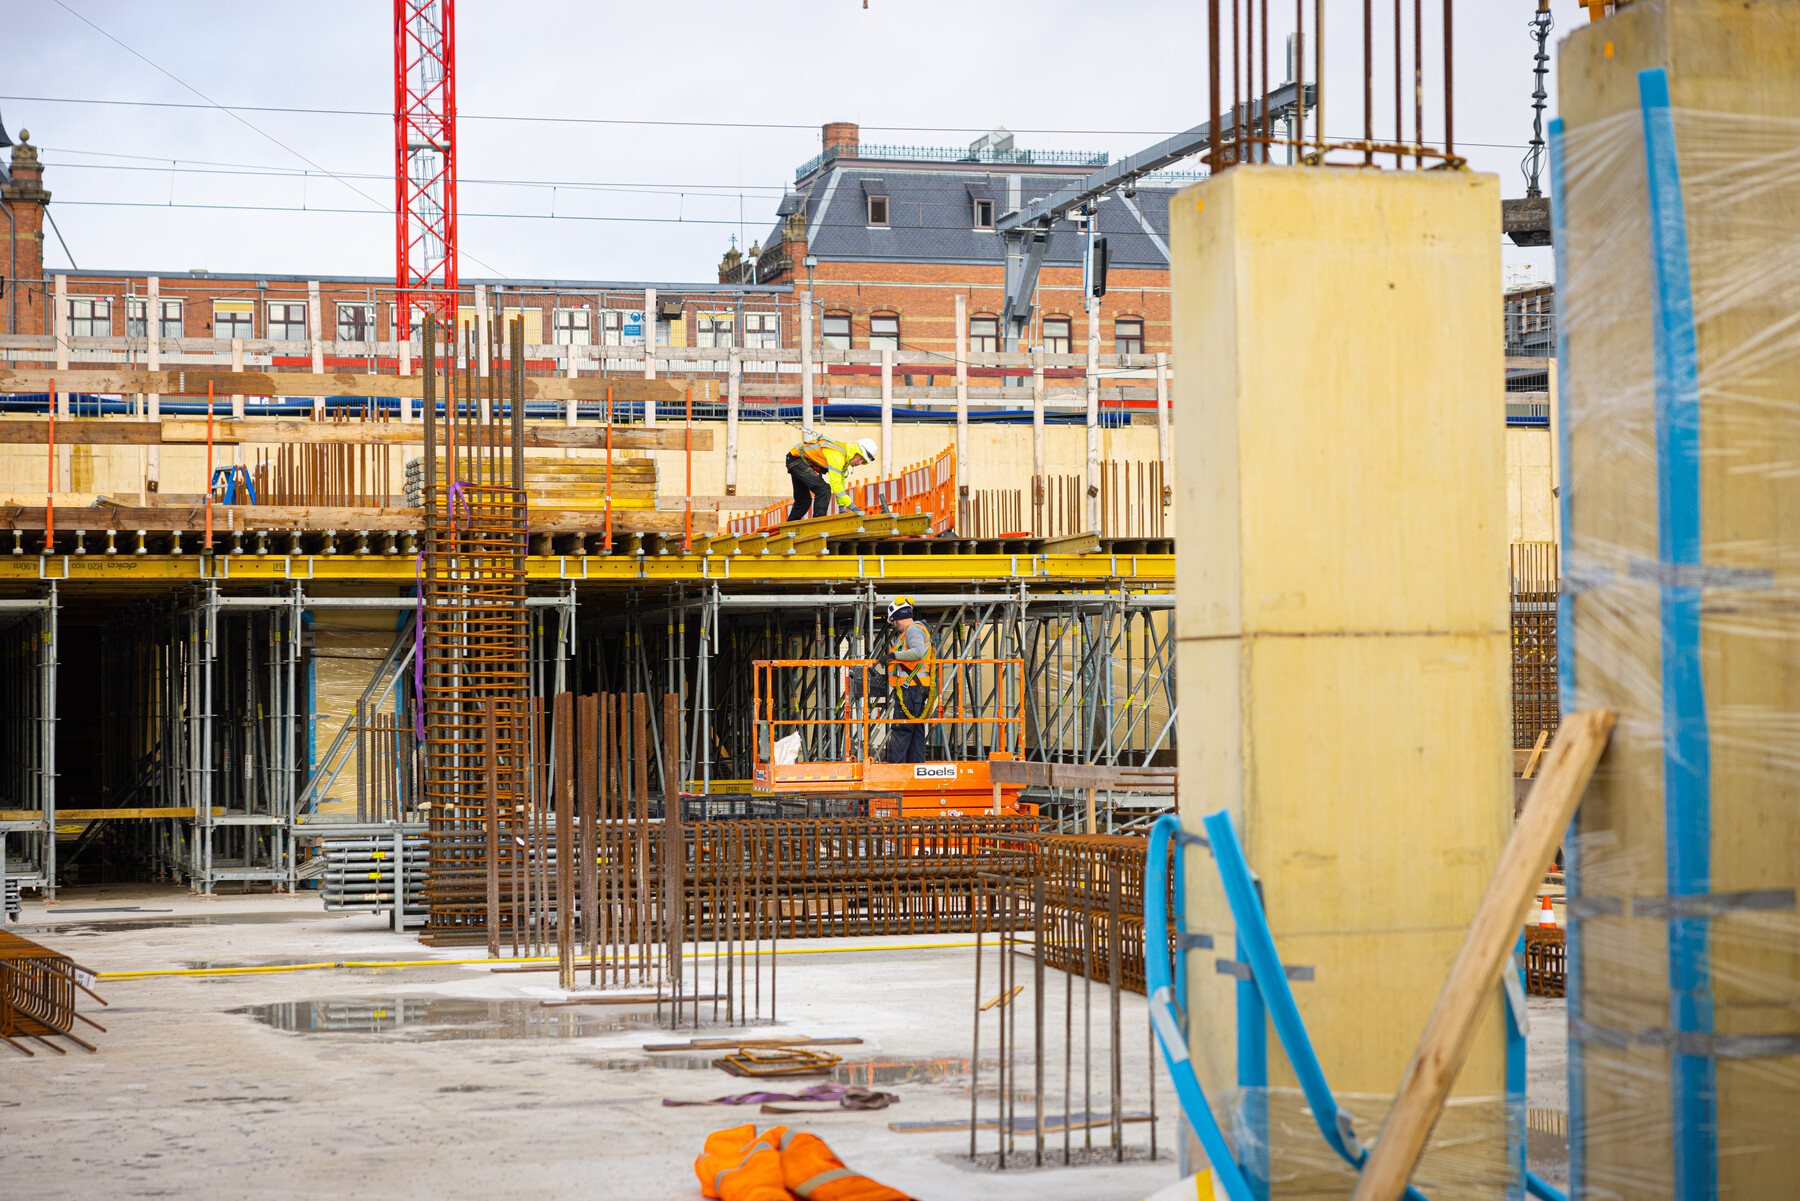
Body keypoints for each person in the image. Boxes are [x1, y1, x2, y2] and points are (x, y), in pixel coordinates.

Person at [882, 596, 934, 764]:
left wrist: (893, 656)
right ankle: (915, 771)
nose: (894, 626)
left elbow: (918, 652)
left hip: (911, 689)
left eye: (894, 622)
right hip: (914, 689)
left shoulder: (912, 630)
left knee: (901, 729)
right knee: (915, 731)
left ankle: (895, 772)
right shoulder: (912, 631)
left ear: (897, 618)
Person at [786, 435, 878, 522]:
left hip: (796, 459)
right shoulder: (838, 456)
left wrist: (842, 509)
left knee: (803, 500)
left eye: (863, 461)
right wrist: (852, 507)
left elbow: (840, 486)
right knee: (823, 489)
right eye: (861, 458)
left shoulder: (845, 459)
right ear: (856, 452)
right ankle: (817, 526)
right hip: (797, 459)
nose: (860, 463)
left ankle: (789, 530)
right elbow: (835, 485)